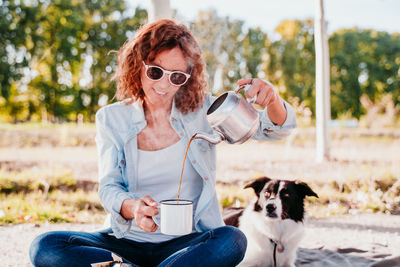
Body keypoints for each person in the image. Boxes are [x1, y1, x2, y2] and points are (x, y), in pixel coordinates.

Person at [29, 19, 296, 267]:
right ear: (138, 65)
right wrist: (132, 208)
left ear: (188, 77)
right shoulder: (112, 119)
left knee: (232, 240)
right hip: (124, 242)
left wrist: (272, 100)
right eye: (156, 71)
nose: (164, 85)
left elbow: (275, 130)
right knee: (46, 246)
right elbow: (109, 186)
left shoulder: (203, 111)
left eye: (177, 76)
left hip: (186, 245)